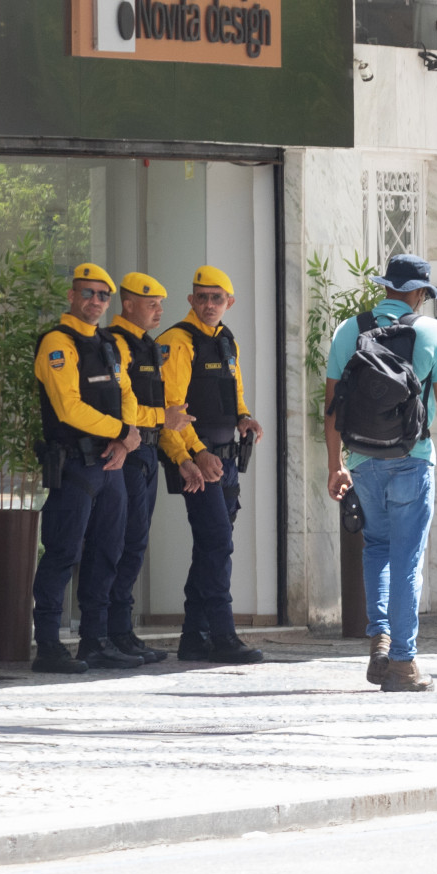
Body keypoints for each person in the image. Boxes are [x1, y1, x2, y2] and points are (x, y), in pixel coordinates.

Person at [325, 253, 437, 693]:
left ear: (385, 287)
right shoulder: (431, 331)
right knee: (407, 557)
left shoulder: (350, 330)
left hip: (363, 459)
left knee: (377, 548)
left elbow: (331, 409)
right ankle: (403, 663)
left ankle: (379, 636)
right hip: (412, 456)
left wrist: (335, 465)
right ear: (419, 294)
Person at [31, 263, 145, 675]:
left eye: (102, 295)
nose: (95, 301)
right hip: (76, 464)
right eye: (88, 293)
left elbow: (127, 390)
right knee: (62, 554)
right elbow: (68, 407)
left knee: (106, 555)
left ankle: (93, 643)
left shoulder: (108, 343)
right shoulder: (57, 343)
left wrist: (126, 437)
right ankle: (47, 645)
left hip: (111, 464)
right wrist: (121, 432)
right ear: (71, 296)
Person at [161, 266, 265, 663]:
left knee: (211, 548)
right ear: (190, 300)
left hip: (226, 462)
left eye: (216, 298)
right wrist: (193, 455)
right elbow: (171, 411)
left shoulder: (225, 340)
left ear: (229, 302)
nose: (208, 305)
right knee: (218, 545)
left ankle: (193, 635)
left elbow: (232, 393)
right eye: (201, 297)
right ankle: (222, 635)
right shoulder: (178, 341)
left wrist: (244, 417)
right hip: (196, 462)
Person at [104, 272, 189, 664]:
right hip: (128, 453)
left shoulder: (148, 345)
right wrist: (161, 418)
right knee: (118, 544)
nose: (159, 309)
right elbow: (121, 407)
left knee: (135, 544)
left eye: (160, 303)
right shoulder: (116, 344)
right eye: (150, 302)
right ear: (128, 304)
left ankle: (122, 630)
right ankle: (109, 632)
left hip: (149, 452)